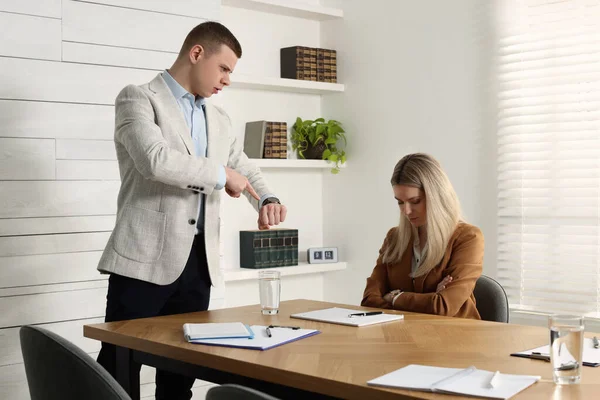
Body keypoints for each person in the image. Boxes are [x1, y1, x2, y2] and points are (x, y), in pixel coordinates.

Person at [96, 21, 287, 400]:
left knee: (180, 377)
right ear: (196, 53)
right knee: (119, 371)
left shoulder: (218, 117)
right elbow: (155, 160)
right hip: (142, 263)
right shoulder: (138, 98)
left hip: (198, 268)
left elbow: (241, 164)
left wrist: (266, 198)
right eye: (224, 68)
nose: (227, 80)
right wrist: (221, 175)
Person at [361, 153, 483, 319]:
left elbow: (442, 306)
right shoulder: (394, 238)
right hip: (403, 337)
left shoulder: (468, 238)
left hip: (453, 338)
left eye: (415, 201)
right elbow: (369, 302)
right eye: (400, 202)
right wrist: (430, 297)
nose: (407, 211)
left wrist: (395, 297)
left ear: (437, 196)